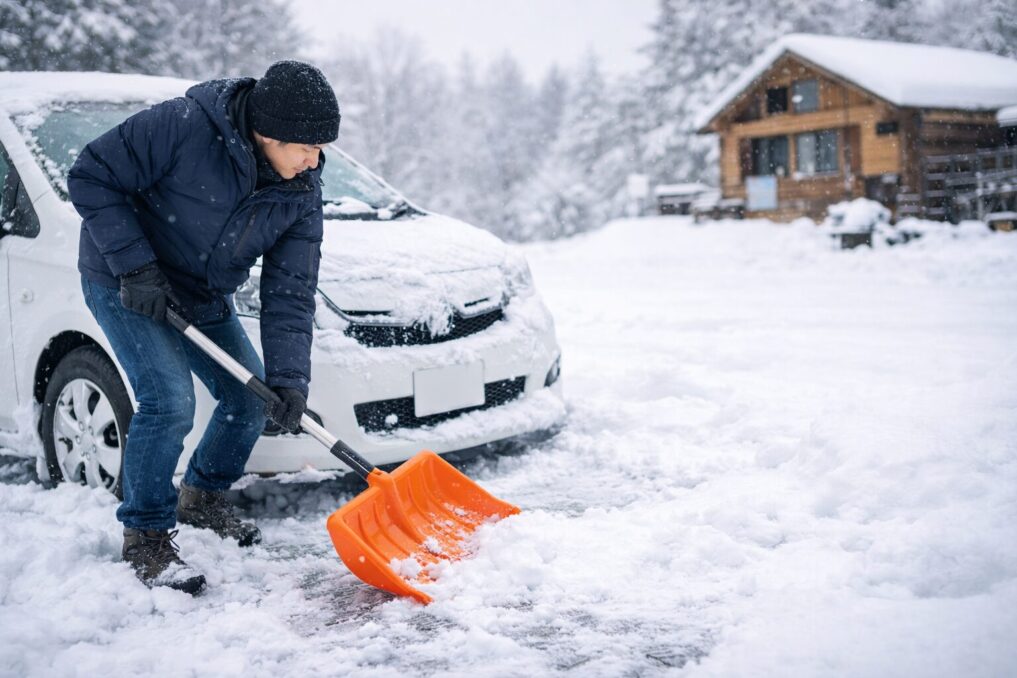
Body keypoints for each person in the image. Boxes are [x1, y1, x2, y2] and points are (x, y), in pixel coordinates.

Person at [67, 61, 340, 594]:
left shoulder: (301, 193)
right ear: (268, 133)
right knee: (169, 401)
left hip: (198, 293)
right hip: (123, 280)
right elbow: (91, 174)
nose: (315, 160)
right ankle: (145, 536)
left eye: (321, 148)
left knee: (250, 399)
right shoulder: (184, 125)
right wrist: (135, 267)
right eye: (306, 147)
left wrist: (290, 382)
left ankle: (202, 498)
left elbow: (290, 292)